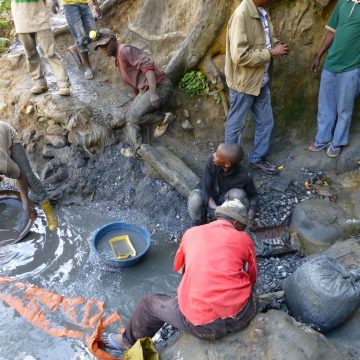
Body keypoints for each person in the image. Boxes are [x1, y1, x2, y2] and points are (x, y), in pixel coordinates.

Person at [102, 199, 258, 352]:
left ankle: (126, 342)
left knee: (148, 304)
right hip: (242, 316)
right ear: (236, 223)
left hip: (203, 328)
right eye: (243, 227)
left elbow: (180, 268)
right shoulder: (244, 239)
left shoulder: (191, 233)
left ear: (219, 216)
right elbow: (252, 277)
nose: (242, 230)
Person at [224, 0, 288, 174]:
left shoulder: (261, 11)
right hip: (244, 82)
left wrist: (275, 44)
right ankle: (228, 165)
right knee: (236, 125)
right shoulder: (241, 15)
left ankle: (257, 159)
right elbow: (239, 56)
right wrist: (271, 53)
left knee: (266, 122)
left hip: (261, 80)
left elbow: (264, 38)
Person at [93, 28, 173, 157]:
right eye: (101, 47)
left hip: (159, 86)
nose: (104, 49)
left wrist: (152, 93)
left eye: (106, 45)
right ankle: (139, 147)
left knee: (132, 117)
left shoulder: (125, 50)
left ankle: (161, 121)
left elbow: (147, 67)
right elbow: (133, 83)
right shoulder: (118, 60)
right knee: (130, 115)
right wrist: (137, 99)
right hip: (146, 90)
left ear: (114, 40)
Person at [308, 0, 360, 158]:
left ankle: (337, 143)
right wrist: (319, 56)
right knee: (325, 106)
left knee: (344, 109)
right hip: (330, 64)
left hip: (351, 68)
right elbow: (331, 32)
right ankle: (322, 139)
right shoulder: (343, 3)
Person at [0, 121, 58, 231]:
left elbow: (21, 177)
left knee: (29, 177)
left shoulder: (3, 165)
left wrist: (25, 204)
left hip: (8, 136)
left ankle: (48, 209)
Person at [188, 143, 258, 226]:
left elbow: (253, 195)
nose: (213, 155)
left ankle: (228, 225)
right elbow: (206, 188)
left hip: (225, 200)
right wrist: (214, 211)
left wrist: (251, 213)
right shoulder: (211, 161)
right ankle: (199, 224)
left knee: (239, 195)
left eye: (217, 155)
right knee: (195, 200)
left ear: (227, 164)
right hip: (208, 194)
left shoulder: (245, 175)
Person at [10, 0, 71, 96]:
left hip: (40, 19)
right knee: (30, 55)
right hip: (21, 20)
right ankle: (40, 82)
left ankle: (64, 84)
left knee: (50, 53)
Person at [58, 0, 102, 79]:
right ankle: (88, 67)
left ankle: (75, 47)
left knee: (94, 34)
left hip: (84, 4)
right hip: (70, 6)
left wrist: (95, 4)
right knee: (80, 37)